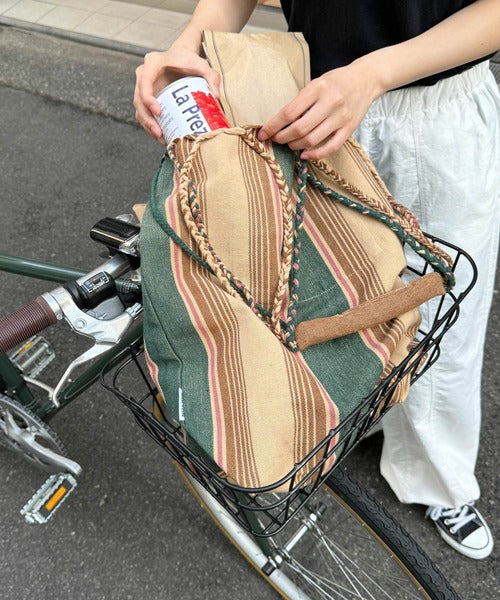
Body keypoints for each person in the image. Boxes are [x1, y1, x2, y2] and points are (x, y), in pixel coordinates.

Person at [134, 0, 500, 559]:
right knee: (328, 295)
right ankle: (351, 411)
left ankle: (438, 479)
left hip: (433, 109)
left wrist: (373, 74)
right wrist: (186, 47)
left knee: (444, 326)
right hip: (304, 102)